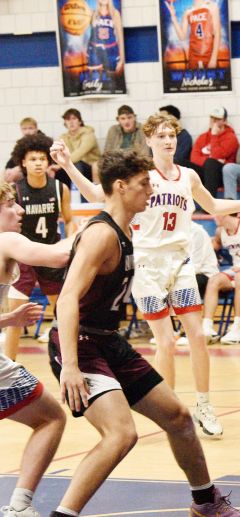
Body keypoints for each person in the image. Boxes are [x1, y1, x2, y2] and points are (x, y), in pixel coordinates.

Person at [45, 150, 240, 517]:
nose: (152, 190)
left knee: (179, 418)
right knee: (121, 434)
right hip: (79, 343)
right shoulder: (102, 234)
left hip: (107, 339)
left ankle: (206, 503)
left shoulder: (126, 229)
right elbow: (67, 299)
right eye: (144, 184)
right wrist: (71, 366)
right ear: (121, 187)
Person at [50, 112, 240, 440]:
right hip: (146, 265)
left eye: (172, 135)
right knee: (166, 341)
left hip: (180, 263)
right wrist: (70, 166)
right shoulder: (141, 177)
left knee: (197, 335)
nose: (168, 140)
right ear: (149, 140)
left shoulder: (188, 176)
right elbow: (98, 195)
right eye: (161, 136)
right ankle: (168, 408)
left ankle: (204, 405)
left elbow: (214, 206)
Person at [0, 181, 69, 517]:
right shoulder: (6, 240)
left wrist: (7, 319)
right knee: (52, 417)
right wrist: (104, 224)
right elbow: (59, 255)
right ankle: (19, 506)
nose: (20, 210)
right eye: (10, 204)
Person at [3, 134, 73, 360]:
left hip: (50, 254)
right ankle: (10, 365)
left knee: (64, 313)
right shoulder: (15, 190)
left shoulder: (60, 188)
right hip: (23, 255)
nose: (38, 163)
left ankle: (68, 361)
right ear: (23, 162)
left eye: (42, 158)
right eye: (33, 159)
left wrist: (70, 242)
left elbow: (69, 220)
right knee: (15, 317)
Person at [203, 213, 240, 344]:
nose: (214, 216)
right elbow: (215, 245)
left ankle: (237, 326)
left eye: (216, 213)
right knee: (213, 280)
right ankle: (206, 327)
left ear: (226, 213)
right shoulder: (220, 231)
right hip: (236, 269)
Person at [190, 106, 239, 199]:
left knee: (211, 163)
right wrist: (209, 160)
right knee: (179, 162)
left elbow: (217, 155)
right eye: (212, 118)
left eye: (217, 119)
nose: (213, 121)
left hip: (221, 175)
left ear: (224, 121)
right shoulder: (202, 137)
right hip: (205, 171)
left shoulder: (231, 137)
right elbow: (194, 158)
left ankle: (210, 202)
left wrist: (214, 136)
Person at [165, 0, 221, 69]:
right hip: (193, 57)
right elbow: (182, 36)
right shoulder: (187, 12)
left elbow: (217, 33)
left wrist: (213, 59)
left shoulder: (212, 6)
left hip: (209, 56)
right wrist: (173, 17)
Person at [58, 108, 101, 188]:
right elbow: (59, 154)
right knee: (56, 171)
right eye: (68, 119)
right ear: (65, 123)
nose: (71, 122)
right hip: (73, 165)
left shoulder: (88, 134)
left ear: (80, 121)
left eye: (74, 118)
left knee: (77, 165)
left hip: (91, 167)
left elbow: (79, 154)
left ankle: (79, 195)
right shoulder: (64, 137)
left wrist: (61, 164)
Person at [2, 118, 47, 184]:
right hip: (24, 168)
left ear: (36, 129)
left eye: (30, 128)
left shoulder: (42, 142)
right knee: (4, 174)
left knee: (14, 175)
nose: (27, 132)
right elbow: (13, 159)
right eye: (24, 129)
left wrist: (18, 168)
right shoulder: (22, 143)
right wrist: (9, 170)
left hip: (37, 169)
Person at [87, 0, 125, 75]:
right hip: (95, 49)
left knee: (111, 77)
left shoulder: (115, 13)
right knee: (94, 75)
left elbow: (120, 37)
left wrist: (122, 59)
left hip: (111, 50)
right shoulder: (92, 13)